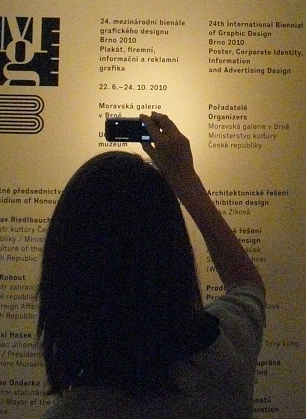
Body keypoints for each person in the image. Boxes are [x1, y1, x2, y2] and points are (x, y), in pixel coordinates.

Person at [37, 111, 266, 419]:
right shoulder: (226, 353)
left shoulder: (73, 412)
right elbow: (247, 284)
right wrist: (185, 179)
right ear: (175, 253)